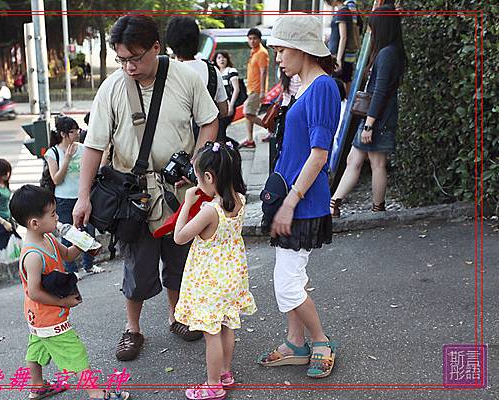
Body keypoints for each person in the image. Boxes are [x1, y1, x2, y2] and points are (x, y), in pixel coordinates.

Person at [73, 15, 219, 362]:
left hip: (178, 191)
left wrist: (197, 164)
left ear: (157, 47)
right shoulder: (112, 87)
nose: (129, 66)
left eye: (135, 57)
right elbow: (94, 145)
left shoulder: (185, 79)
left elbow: (210, 120)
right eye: (122, 59)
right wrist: (82, 197)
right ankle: (132, 329)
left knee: (179, 259)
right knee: (136, 265)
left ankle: (177, 317)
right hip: (133, 194)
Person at [258, 14, 341, 378]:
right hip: (291, 200)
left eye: (280, 49)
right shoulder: (305, 86)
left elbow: (319, 154)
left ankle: (320, 341)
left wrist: (290, 202)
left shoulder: (322, 87)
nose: (276, 57)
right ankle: (295, 342)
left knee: (288, 283)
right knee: (287, 276)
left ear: (302, 49)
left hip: (301, 201)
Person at [9, 185, 129, 400]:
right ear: (34, 223)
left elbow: (68, 255)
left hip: (37, 316)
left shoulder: (47, 239)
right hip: (48, 315)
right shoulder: (33, 256)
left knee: (37, 347)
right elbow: (34, 292)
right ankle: (96, 393)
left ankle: (37, 386)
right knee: (74, 351)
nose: (57, 218)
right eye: (53, 214)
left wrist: (82, 243)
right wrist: (63, 302)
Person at [173, 141, 256, 400]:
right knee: (227, 327)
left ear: (209, 177)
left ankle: (212, 385)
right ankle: (225, 374)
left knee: (211, 334)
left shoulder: (210, 211)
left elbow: (179, 237)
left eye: (199, 179)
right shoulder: (240, 201)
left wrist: (187, 203)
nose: (198, 185)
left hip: (211, 282)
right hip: (232, 277)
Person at [330, 6, 407, 217]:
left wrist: (369, 124)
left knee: (376, 163)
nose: (371, 31)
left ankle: (376, 208)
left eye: (373, 26)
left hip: (377, 119)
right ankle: (334, 203)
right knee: (354, 160)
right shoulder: (390, 52)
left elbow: (380, 92)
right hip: (376, 116)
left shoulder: (387, 54)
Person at [45, 116, 103, 277]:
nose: (77, 133)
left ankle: (89, 265)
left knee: (88, 231)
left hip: (83, 197)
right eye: (73, 131)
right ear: (63, 134)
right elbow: (56, 179)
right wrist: (67, 159)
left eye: (77, 130)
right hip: (63, 199)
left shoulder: (83, 149)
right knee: (68, 235)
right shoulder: (53, 152)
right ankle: (71, 270)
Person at [165, 16, 229, 135]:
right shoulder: (212, 70)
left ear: (171, 43)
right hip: (207, 144)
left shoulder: (167, 71)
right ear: (197, 40)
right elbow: (224, 110)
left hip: (176, 141)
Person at [240, 27, 269, 149]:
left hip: (257, 89)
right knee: (249, 113)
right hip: (251, 88)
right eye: (250, 38)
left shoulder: (262, 52)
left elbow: (263, 72)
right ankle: (250, 139)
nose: (252, 41)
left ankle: (271, 128)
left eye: (254, 39)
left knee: (247, 113)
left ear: (259, 39)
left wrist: (262, 91)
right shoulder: (254, 52)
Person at [325, 0, 361, 94]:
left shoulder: (342, 12)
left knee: (337, 86)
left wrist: (338, 59)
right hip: (342, 54)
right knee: (346, 82)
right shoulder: (345, 11)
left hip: (339, 54)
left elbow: (343, 36)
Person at [214, 51, 241, 141]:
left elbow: (236, 89)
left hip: (228, 104)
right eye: (219, 58)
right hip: (218, 106)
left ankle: (231, 146)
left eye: (223, 57)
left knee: (221, 129)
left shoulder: (231, 71)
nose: (221, 60)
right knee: (220, 131)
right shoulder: (216, 72)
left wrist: (231, 106)